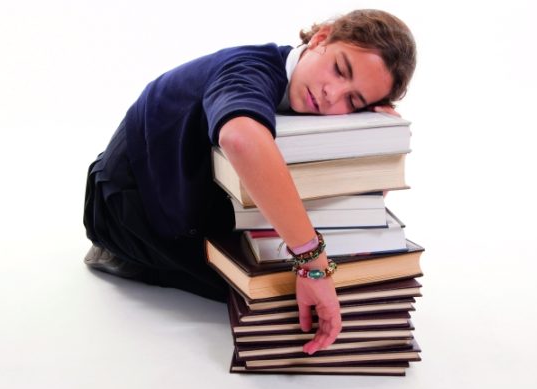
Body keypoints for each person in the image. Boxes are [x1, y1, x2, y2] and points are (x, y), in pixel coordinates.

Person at [83, 9, 416, 355]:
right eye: (339, 69)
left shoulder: (308, 88)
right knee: (272, 295)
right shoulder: (250, 69)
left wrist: (372, 139)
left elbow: (367, 193)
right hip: (128, 205)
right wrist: (312, 263)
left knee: (348, 281)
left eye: (354, 100)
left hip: (200, 191)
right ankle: (121, 254)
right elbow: (240, 138)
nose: (333, 94)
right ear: (321, 39)